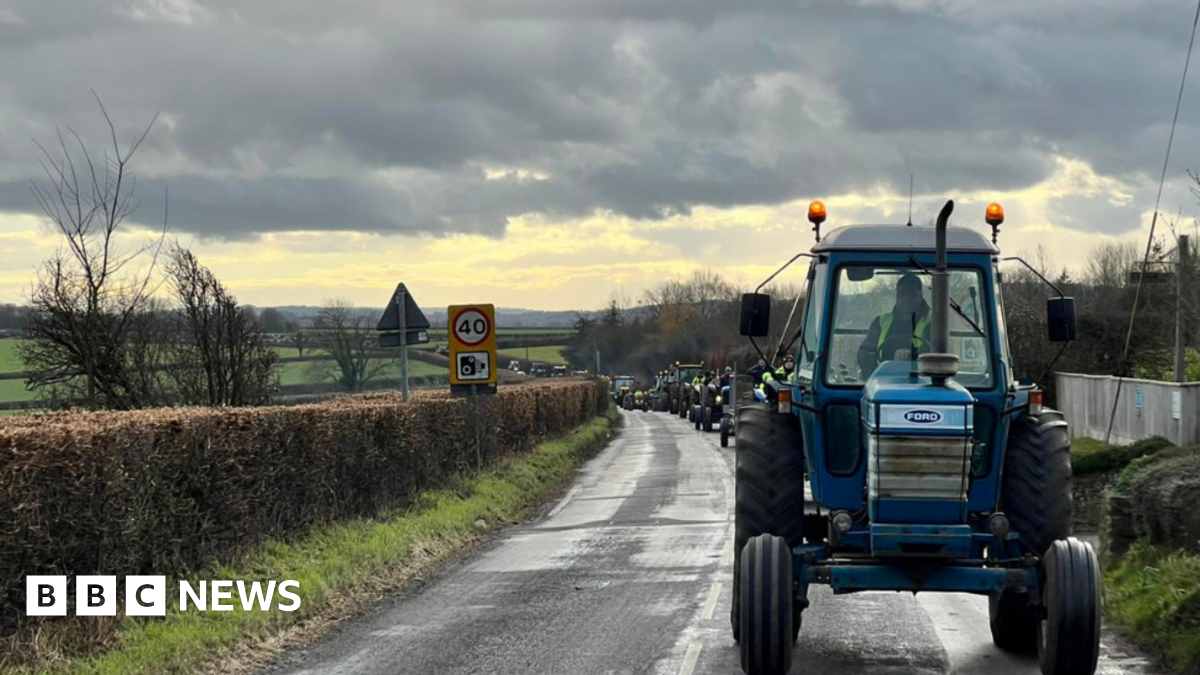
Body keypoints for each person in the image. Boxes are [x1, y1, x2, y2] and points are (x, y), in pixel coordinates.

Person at [857, 273, 931, 378]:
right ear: (896, 296)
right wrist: (880, 362)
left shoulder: (932, 323)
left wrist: (912, 356)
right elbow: (864, 352)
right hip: (883, 382)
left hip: (922, 384)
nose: (905, 299)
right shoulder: (881, 322)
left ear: (919, 296)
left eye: (911, 294)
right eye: (901, 294)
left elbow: (936, 356)